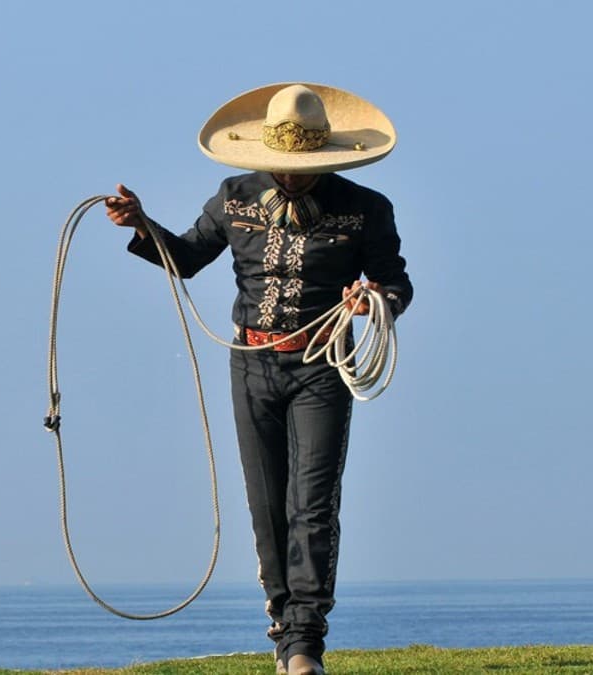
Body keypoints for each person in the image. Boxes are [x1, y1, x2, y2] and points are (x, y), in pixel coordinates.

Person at [105, 83, 413, 675]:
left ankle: (305, 645)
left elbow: (396, 280)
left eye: (301, 168)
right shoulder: (234, 196)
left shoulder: (366, 208)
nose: (290, 177)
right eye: (281, 167)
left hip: (323, 365)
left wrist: (373, 300)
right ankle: (283, 629)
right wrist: (141, 225)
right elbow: (189, 257)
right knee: (267, 502)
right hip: (251, 363)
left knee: (313, 502)